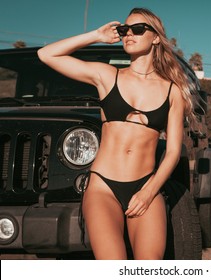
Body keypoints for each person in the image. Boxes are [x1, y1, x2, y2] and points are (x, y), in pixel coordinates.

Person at [38, 7, 199, 260]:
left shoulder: (172, 91)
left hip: (146, 186)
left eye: (137, 29)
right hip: (103, 187)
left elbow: (172, 152)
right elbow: (46, 54)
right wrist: (95, 35)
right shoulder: (107, 75)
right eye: (125, 30)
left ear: (156, 37)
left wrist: (148, 192)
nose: (128, 35)